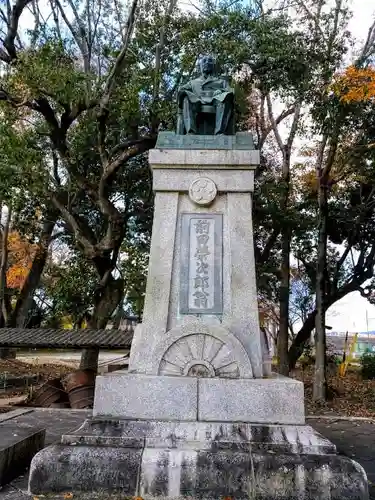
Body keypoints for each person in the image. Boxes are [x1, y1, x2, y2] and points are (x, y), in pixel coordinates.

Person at [177, 55, 234, 135]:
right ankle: (191, 132)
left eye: (209, 61)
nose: (207, 63)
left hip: (216, 101)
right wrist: (189, 94)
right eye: (204, 61)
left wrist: (221, 91)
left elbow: (230, 91)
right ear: (200, 66)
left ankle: (220, 133)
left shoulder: (221, 81)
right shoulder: (193, 82)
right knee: (186, 98)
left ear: (213, 66)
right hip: (197, 101)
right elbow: (181, 89)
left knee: (225, 97)